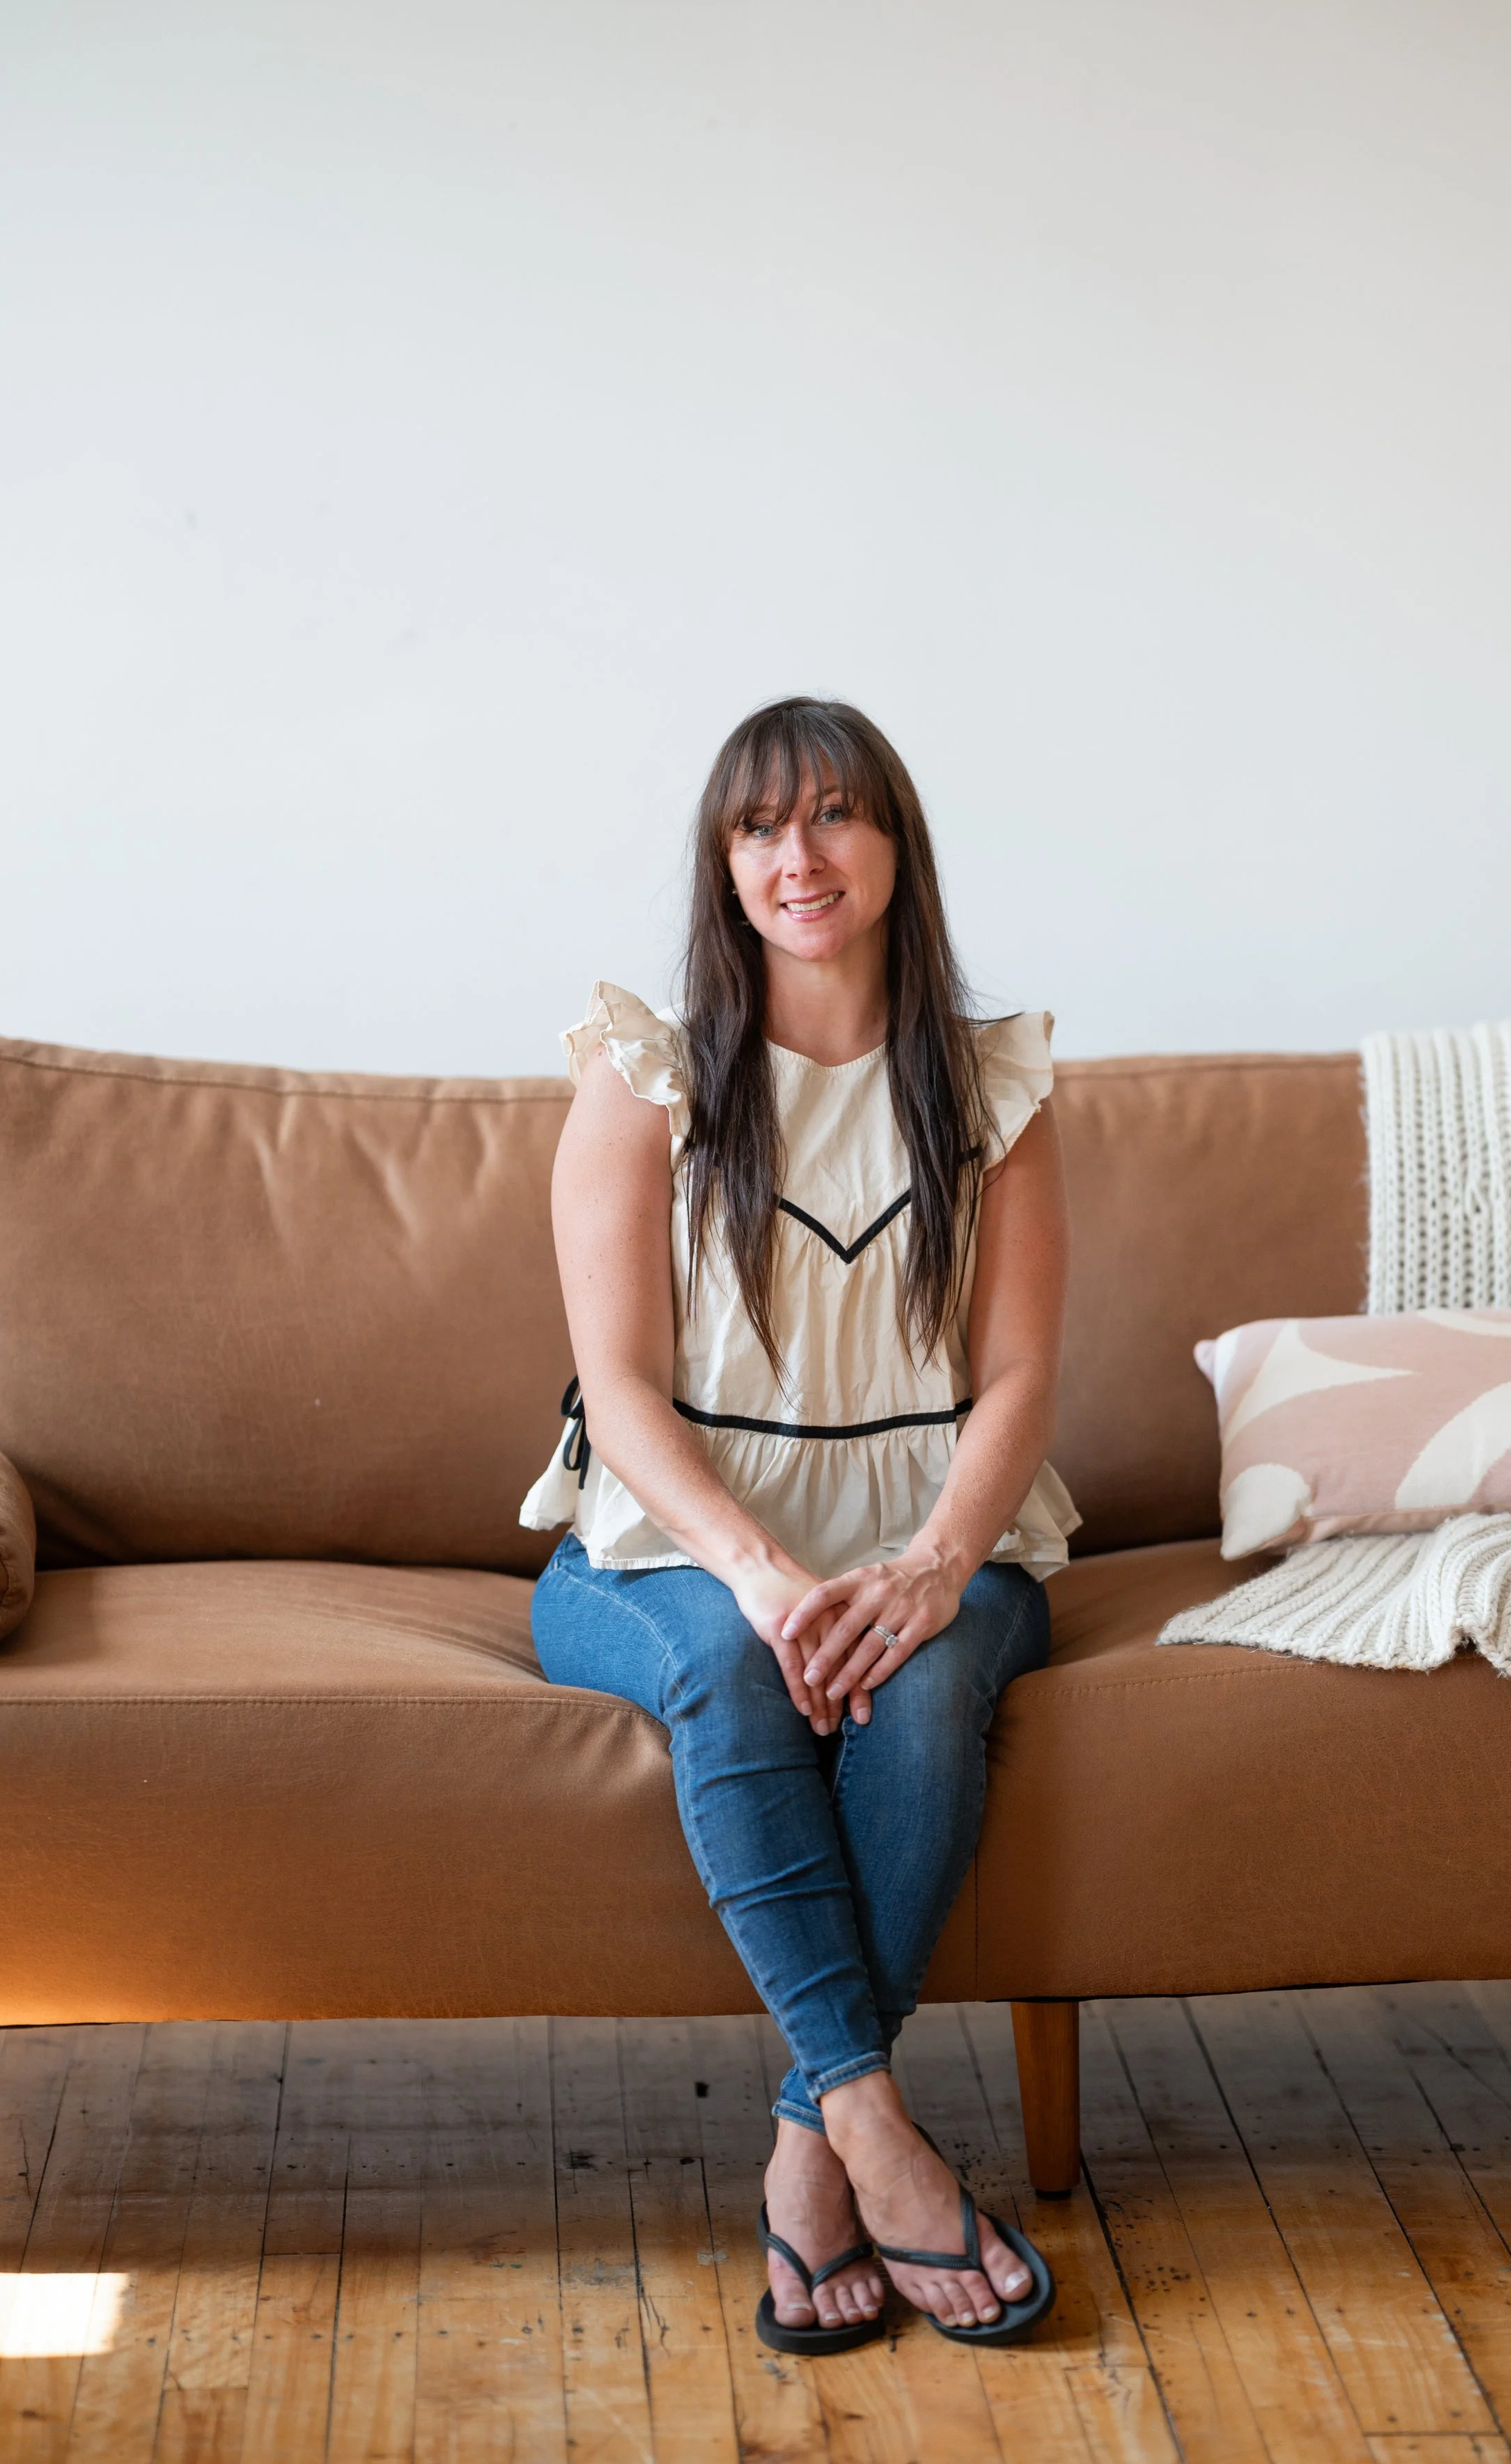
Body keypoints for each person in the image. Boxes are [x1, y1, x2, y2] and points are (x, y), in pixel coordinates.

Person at [524, 696, 1078, 2351]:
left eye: (834, 814)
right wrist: (764, 1577)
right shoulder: (645, 1076)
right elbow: (617, 1388)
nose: (798, 856)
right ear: (723, 864)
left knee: (923, 1678)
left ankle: (806, 2142)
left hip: (938, 1536)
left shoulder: (994, 1088)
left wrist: (929, 1567)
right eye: (759, 827)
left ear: (895, 846)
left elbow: (1020, 1375)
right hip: (666, 1549)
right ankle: (873, 2128)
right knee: (734, 1669)